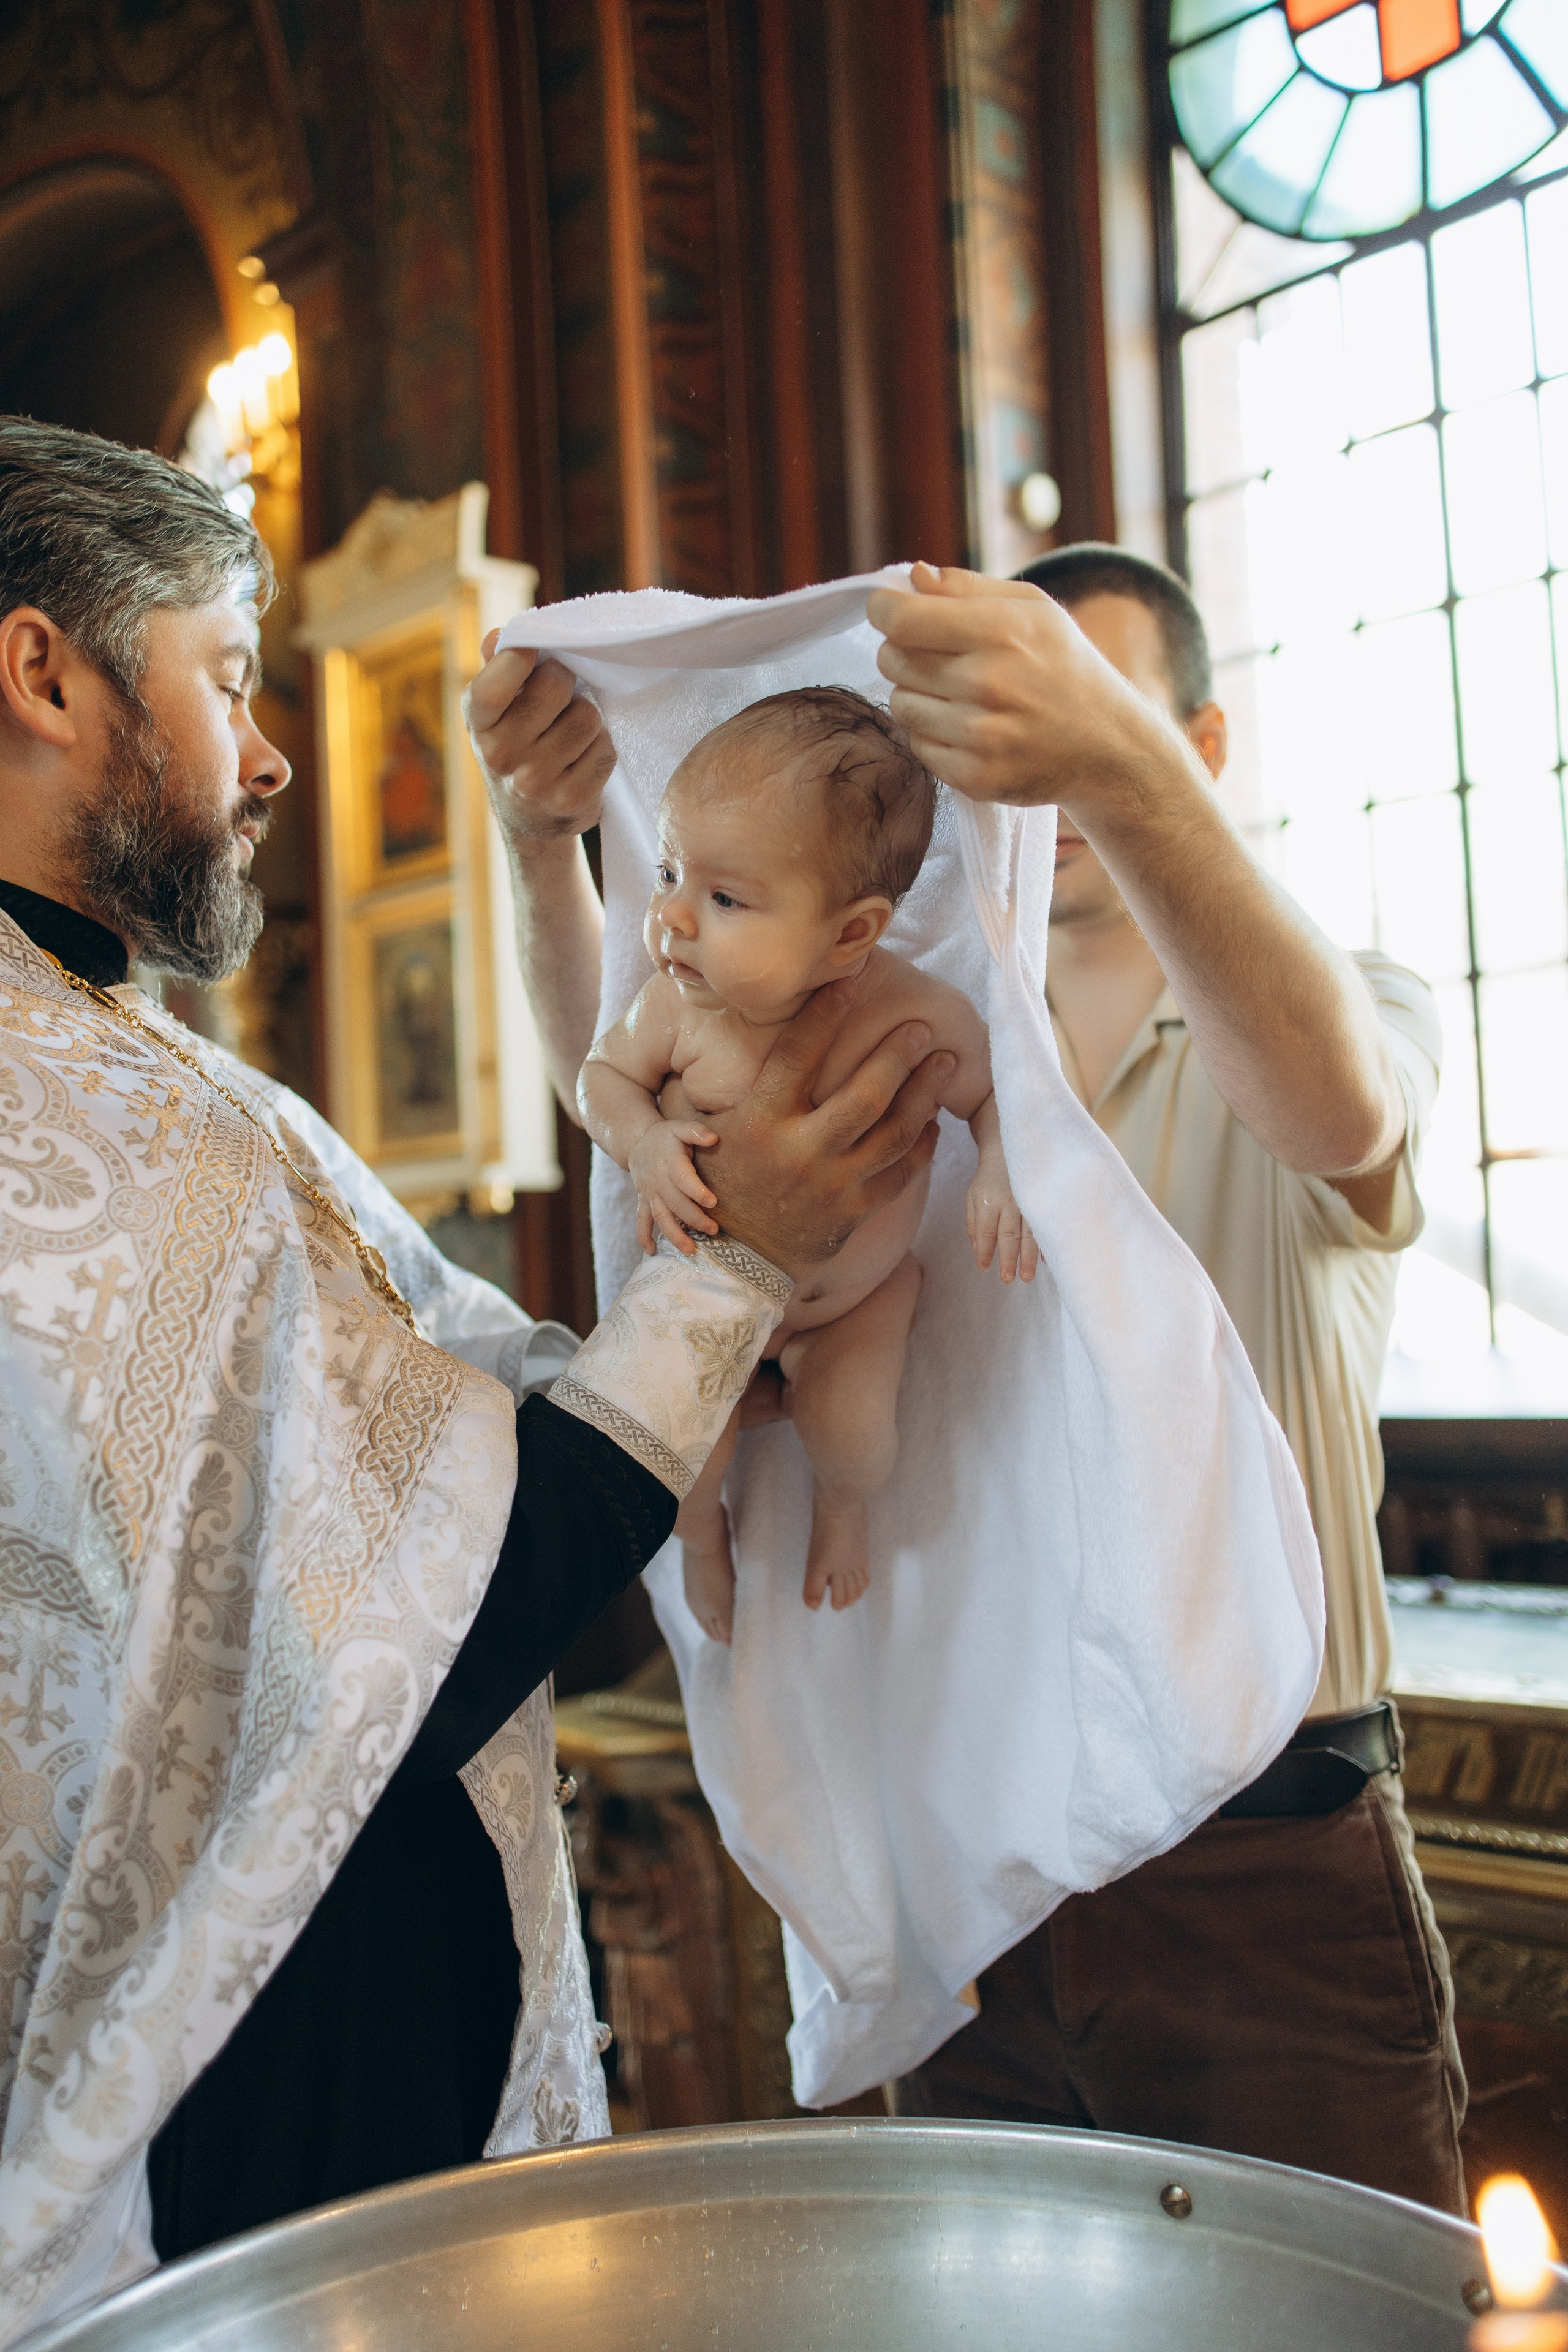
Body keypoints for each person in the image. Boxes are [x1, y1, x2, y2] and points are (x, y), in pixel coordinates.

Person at [0, 419, 950, 2344]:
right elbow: (403, 1629)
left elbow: (429, 1397)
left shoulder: (135, 1064)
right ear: (43, 674)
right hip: (248, 2152)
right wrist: (741, 1269)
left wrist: (720, 1349)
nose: (268, 757)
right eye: (232, 679)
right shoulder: (56, 1128)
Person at [470, 550, 1462, 2215]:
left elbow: (1347, 1119)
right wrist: (535, 841)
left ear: (1196, 745)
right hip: (965, 1850)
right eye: (1014, 722)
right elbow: (638, 1091)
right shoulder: (863, 1017)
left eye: (1097, 713)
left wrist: (1112, 765)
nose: (1047, 767)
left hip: (1253, 1857)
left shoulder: (1338, 1000)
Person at [579, 685, 1035, 1640]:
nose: (672, 920)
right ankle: (707, 1546)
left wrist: (996, 1170)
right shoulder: (675, 1012)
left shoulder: (914, 1019)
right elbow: (601, 1080)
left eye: (726, 897)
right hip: (701, 1310)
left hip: (852, 1309)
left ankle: (843, 1507)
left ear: (852, 933)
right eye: (668, 873)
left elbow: (998, 1095)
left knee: (855, 1435)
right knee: (676, 1464)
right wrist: (646, 1140)